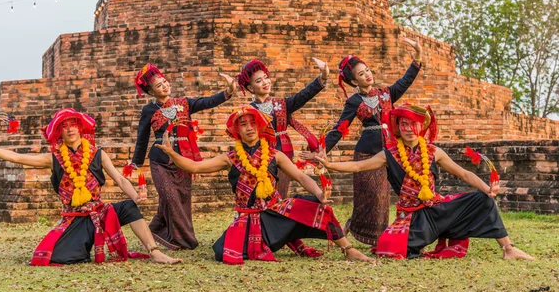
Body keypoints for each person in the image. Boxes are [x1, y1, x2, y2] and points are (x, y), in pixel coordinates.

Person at [155, 106, 374, 264]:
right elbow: (195, 167)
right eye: (243, 125)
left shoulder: (275, 154)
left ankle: (348, 248)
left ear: (259, 127)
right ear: (237, 131)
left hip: (276, 211)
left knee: (319, 206)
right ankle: (269, 242)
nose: (249, 128)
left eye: (252, 123)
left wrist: (319, 192)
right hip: (248, 218)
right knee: (222, 253)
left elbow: (299, 176)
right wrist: (172, 153)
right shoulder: (230, 158)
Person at [314, 104, 534, 260]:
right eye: (403, 125)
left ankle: (508, 248)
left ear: (420, 127)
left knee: (483, 200)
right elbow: (358, 166)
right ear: (397, 128)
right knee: (388, 248)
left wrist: (488, 188)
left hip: (437, 208)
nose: (408, 129)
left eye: (413, 124)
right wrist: (330, 165)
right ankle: (416, 242)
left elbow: (464, 174)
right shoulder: (388, 154)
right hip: (412, 217)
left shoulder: (433, 152)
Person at [0, 108, 182, 265]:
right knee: (59, 257)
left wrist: (135, 196)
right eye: (64, 126)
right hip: (75, 219)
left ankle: (154, 252)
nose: (69, 128)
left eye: (72, 124)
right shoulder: (52, 158)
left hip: (100, 213)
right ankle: (83, 244)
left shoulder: (98, 154)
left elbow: (120, 179)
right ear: (59, 133)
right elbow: (17, 157)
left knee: (129, 207)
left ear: (80, 127)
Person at [305, 37, 422, 246]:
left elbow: (405, 81)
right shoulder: (354, 101)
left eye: (367, 70)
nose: (367, 75)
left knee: (383, 198)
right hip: (367, 152)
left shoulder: (386, 93)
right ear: (353, 82)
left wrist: (418, 57)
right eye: (361, 74)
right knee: (371, 197)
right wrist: (322, 150)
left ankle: (377, 237)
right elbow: (339, 129)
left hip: (389, 152)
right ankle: (368, 234)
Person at [129, 63, 236, 250]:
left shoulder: (184, 103)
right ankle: (184, 240)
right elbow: (142, 138)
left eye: (164, 82)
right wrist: (135, 163)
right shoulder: (149, 110)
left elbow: (207, 101)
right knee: (170, 197)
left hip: (184, 161)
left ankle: (153, 230)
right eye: (159, 85)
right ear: (152, 92)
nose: (164, 86)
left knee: (181, 199)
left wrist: (228, 90)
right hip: (160, 160)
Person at [237, 58, 329, 257]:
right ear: (250, 87)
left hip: (282, 155)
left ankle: (280, 236)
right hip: (258, 159)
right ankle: (260, 236)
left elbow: (303, 96)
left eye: (266, 78)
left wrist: (322, 77)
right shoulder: (248, 111)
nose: (265, 82)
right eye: (259, 81)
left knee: (279, 200)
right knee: (261, 200)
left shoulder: (282, 104)